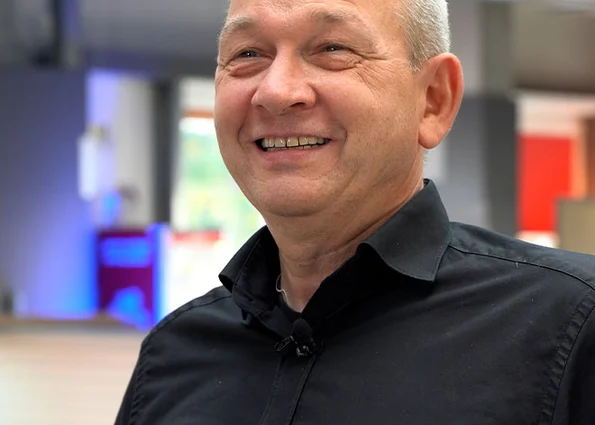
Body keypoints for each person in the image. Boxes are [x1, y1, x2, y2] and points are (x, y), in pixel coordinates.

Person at [115, 0, 595, 423]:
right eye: (247, 54)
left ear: (433, 100)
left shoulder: (570, 330)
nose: (277, 91)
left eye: (332, 49)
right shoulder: (172, 355)